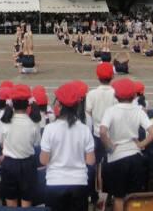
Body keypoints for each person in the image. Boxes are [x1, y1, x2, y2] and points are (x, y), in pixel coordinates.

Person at [100, 78, 153, 211]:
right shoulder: (138, 110)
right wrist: (142, 144)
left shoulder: (111, 111)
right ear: (134, 95)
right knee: (134, 196)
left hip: (117, 157)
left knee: (119, 196)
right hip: (134, 154)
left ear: (115, 95)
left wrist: (110, 147)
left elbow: (102, 131)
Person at [39, 82, 96, 211]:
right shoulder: (84, 129)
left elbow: (43, 160)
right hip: (79, 183)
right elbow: (90, 160)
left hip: (55, 182)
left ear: (58, 105)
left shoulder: (49, 129)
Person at [0, 84, 41, 207]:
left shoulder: (5, 122)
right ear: (28, 103)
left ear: (12, 103)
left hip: (9, 164)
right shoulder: (34, 123)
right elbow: (36, 143)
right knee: (26, 199)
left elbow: (1, 142)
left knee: (11, 199)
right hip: (28, 164)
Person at [86, 62, 117, 168]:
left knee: (98, 164)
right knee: (112, 164)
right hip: (113, 134)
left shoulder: (92, 94)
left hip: (97, 133)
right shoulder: (116, 93)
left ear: (97, 77)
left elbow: (88, 114)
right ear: (112, 76)